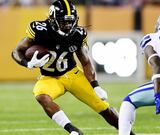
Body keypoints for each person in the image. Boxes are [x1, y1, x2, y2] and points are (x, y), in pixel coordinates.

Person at [11, 0, 135, 135]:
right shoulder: (40, 30)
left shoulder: (78, 34)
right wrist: (27, 64)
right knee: (41, 96)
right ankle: (73, 130)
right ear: (53, 19)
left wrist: (96, 85)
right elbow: (16, 51)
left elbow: (86, 62)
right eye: (64, 21)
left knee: (102, 107)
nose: (68, 25)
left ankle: (129, 133)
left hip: (73, 74)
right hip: (50, 78)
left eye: (70, 21)